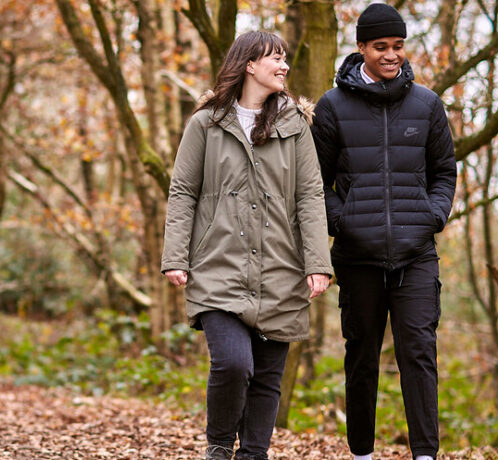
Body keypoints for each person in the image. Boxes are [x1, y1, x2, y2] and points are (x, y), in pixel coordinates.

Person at [161, 30, 333, 460]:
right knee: (234, 364)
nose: (284, 66)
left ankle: (254, 453)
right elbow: (183, 190)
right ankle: (219, 445)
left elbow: (311, 196)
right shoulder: (206, 123)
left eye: (286, 58)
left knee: (268, 378)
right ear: (249, 64)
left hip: (281, 267)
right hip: (217, 266)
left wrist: (318, 262)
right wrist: (175, 255)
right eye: (275, 58)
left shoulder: (296, 126)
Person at [310, 3, 457, 460]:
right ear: (361, 48)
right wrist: (344, 222)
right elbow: (315, 182)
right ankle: (361, 454)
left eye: (397, 46)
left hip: (416, 255)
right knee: (361, 359)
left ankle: (425, 454)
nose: (391, 55)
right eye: (381, 47)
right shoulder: (332, 106)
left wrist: (431, 217)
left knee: (419, 354)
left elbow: (445, 172)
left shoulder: (427, 104)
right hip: (357, 257)